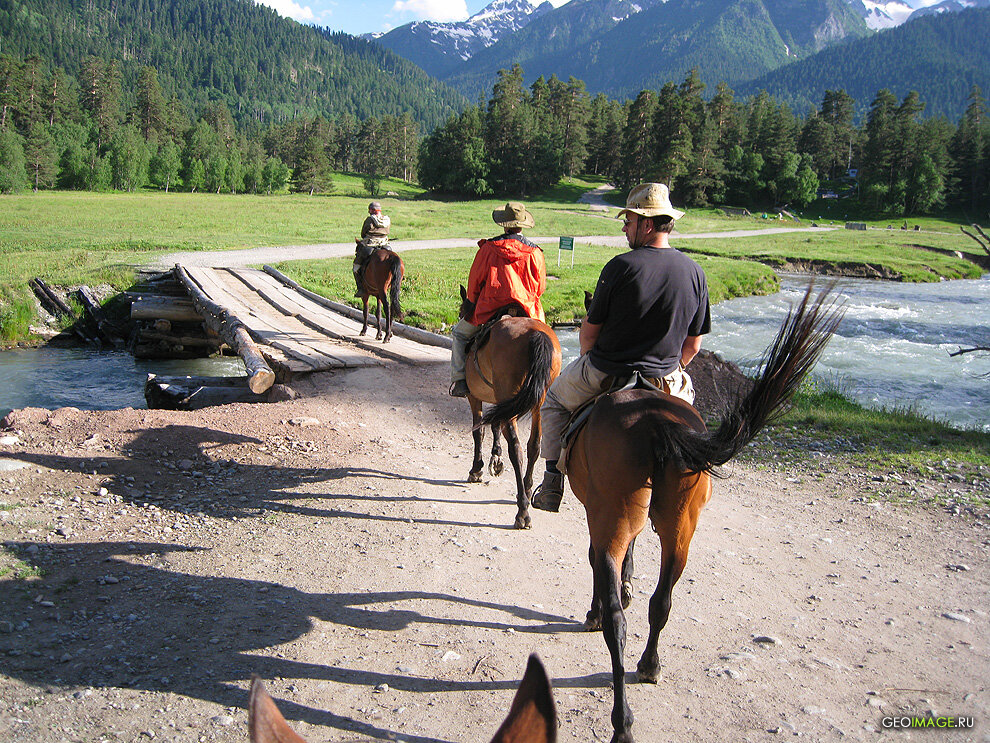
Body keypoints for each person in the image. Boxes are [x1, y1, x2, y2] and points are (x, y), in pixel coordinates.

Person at [531, 182, 710, 512]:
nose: (625, 228)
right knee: (693, 425)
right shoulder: (695, 272)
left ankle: (552, 480)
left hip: (608, 370)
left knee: (554, 399)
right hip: (667, 376)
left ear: (646, 223)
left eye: (628, 221)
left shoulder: (621, 266)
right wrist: (671, 367)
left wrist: (590, 360)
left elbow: (589, 335)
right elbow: (694, 345)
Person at [449, 201, 547, 397]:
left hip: (490, 309)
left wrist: (471, 303)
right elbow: (540, 288)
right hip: (527, 310)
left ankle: (460, 380)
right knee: (545, 340)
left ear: (504, 224)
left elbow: (475, 283)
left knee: (459, 335)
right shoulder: (535, 252)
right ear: (522, 225)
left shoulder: (488, 248)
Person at [354, 201, 391, 296]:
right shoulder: (387, 220)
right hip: (385, 244)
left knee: (356, 266)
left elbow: (363, 233)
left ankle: (360, 288)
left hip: (370, 244)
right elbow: (387, 232)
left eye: (370, 210)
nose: (369, 212)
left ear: (373, 210)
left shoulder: (370, 219)